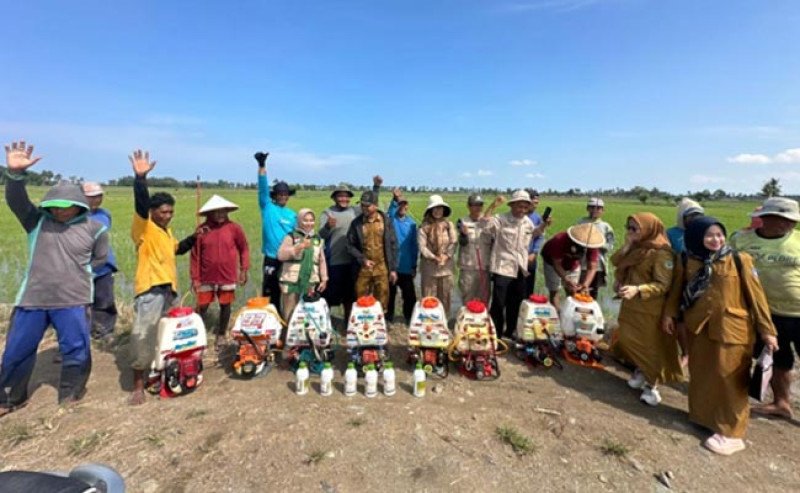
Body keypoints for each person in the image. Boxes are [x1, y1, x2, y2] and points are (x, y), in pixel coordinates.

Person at [0, 141, 109, 417]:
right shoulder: (36, 222)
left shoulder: (95, 229)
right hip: (33, 299)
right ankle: (11, 397)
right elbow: (16, 200)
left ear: (79, 206)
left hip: (73, 300)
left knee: (76, 348)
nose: (60, 211)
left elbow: (98, 261)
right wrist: (14, 175)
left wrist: (77, 277)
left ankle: (70, 393)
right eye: (55, 206)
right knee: (16, 350)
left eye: (67, 206)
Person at [663, 217, 778, 455]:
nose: (716, 240)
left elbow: (757, 298)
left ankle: (732, 432)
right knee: (703, 374)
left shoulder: (739, 260)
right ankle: (705, 418)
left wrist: (768, 331)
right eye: (709, 235)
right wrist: (670, 315)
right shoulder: (688, 259)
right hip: (700, 327)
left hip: (732, 328)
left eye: (719, 234)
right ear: (696, 237)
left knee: (730, 379)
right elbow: (677, 290)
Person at [129, 150, 197, 405]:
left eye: (170, 212)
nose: (167, 215)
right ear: (152, 212)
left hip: (169, 290)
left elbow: (177, 249)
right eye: (163, 212)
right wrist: (140, 178)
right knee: (143, 336)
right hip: (150, 291)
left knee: (167, 336)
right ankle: (137, 385)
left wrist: (195, 237)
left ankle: (160, 373)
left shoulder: (165, 233)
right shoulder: (144, 227)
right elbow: (140, 203)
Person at [729, 197, 800, 420]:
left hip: (798, 313)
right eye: (783, 219)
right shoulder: (742, 240)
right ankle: (781, 403)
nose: (789, 224)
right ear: (766, 218)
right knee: (779, 359)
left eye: (791, 220)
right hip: (763, 314)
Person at [611, 213, 681, 406]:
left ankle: (652, 387)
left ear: (650, 229)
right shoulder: (638, 248)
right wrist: (627, 246)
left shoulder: (662, 253)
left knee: (649, 348)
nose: (630, 232)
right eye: (629, 228)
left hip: (649, 309)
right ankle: (641, 372)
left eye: (635, 229)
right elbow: (616, 261)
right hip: (631, 305)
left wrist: (638, 289)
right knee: (627, 339)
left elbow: (662, 285)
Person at [481, 190, 545, 339]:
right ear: (512, 205)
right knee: (498, 303)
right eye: (519, 206)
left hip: (520, 268)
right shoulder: (501, 219)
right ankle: (495, 335)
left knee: (515, 303)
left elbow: (534, 234)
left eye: (525, 207)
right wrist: (492, 206)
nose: (522, 210)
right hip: (503, 267)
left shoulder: (527, 221)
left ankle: (510, 331)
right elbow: (484, 225)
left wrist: (543, 226)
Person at [319, 178, 382, 323]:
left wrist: (376, 187)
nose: (343, 198)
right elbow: (321, 235)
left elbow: (370, 203)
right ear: (334, 197)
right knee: (330, 295)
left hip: (354, 261)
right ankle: (325, 323)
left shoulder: (356, 210)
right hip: (335, 260)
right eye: (340, 196)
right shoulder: (328, 213)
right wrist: (328, 226)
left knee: (350, 295)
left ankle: (349, 323)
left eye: (346, 196)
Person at [191, 194, 250, 350]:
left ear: (227, 211)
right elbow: (195, 256)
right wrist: (195, 278)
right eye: (216, 211)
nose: (219, 214)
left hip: (227, 275)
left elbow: (244, 248)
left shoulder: (234, 228)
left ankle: (222, 334)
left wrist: (244, 269)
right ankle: (197, 335)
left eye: (222, 211)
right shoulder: (201, 230)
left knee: (226, 305)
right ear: (209, 213)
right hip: (205, 276)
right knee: (202, 306)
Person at [255, 151, 296, 314]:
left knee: (287, 291)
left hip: (287, 258)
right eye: (280, 194)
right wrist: (262, 166)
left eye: (285, 194)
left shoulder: (292, 215)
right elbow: (263, 187)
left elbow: (298, 235)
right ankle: (271, 321)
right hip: (271, 258)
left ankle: (286, 320)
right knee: (270, 291)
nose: (283, 197)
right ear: (275, 196)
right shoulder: (267, 207)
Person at [346, 190, 399, 310]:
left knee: (382, 299)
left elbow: (394, 245)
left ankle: (379, 323)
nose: (364, 208)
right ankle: (362, 324)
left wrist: (393, 269)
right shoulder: (356, 224)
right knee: (360, 299)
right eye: (362, 205)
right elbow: (349, 245)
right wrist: (362, 259)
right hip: (363, 268)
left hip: (382, 268)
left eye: (367, 205)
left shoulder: (386, 222)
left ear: (376, 205)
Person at [82, 182, 118, 343]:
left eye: (99, 196)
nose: (96, 199)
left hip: (104, 265)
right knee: (79, 303)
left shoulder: (104, 214)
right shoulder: (74, 215)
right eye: (91, 197)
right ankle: (78, 334)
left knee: (104, 299)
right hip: (80, 265)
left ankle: (104, 331)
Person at [277, 208, 328, 322]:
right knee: (289, 314)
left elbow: (322, 260)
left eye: (311, 220)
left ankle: (305, 338)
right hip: (292, 282)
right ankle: (287, 337)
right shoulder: (291, 237)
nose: (309, 223)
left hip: (310, 282)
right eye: (305, 220)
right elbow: (281, 255)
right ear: (300, 221)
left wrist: (324, 278)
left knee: (307, 314)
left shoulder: (317, 239)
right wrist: (299, 247)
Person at [540, 224, 603, 311]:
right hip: (552, 262)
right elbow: (556, 264)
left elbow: (592, 267)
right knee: (554, 291)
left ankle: (570, 315)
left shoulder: (591, 244)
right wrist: (566, 278)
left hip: (572, 263)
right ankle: (558, 316)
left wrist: (585, 285)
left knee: (573, 291)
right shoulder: (559, 240)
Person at [418, 195, 458, 316]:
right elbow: (422, 247)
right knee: (429, 295)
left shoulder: (449, 225)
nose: (437, 211)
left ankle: (443, 320)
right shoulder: (424, 227)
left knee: (445, 295)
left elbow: (454, 242)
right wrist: (434, 257)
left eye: (440, 208)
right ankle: (429, 322)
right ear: (430, 210)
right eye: (435, 208)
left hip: (446, 267)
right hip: (429, 267)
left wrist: (446, 256)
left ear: (443, 210)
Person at [386, 188, 418, 324]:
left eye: (404, 204)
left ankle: (409, 317)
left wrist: (414, 265)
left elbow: (414, 246)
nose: (402, 207)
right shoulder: (391, 220)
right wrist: (395, 199)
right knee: (390, 295)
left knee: (409, 296)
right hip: (392, 265)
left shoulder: (412, 224)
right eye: (400, 204)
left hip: (406, 266)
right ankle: (388, 318)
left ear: (407, 206)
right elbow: (390, 213)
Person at [456, 194, 492, 304]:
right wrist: (463, 234)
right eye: (474, 205)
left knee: (484, 300)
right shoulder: (461, 222)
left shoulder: (489, 222)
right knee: (467, 299)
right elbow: (462, 243)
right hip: (468, 268)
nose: (477, 207)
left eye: (480, 205)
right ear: (468, 206)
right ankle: (466, 321)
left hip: (484, 268)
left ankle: (482, 321)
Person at [576, 197, 615, 300]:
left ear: (603, 210)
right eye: (592, 207)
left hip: (598, 265)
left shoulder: (606, 227)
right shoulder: (580, 222)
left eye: (598, 208)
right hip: (581, 263)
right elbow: (573, 239)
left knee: (593, 292)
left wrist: (596, 244)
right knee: (578, 289)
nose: (595, 210)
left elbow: (610, 245)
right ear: (587, 208)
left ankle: (591, 314)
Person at [524, 189, 547, 296]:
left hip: (530, 257)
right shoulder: (518, 215)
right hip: (516, 257)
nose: (536, 205)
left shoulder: (537, 218)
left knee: (528, 287)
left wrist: (534, 252)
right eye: (534, 202)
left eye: (537, 203)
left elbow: (540, 237)